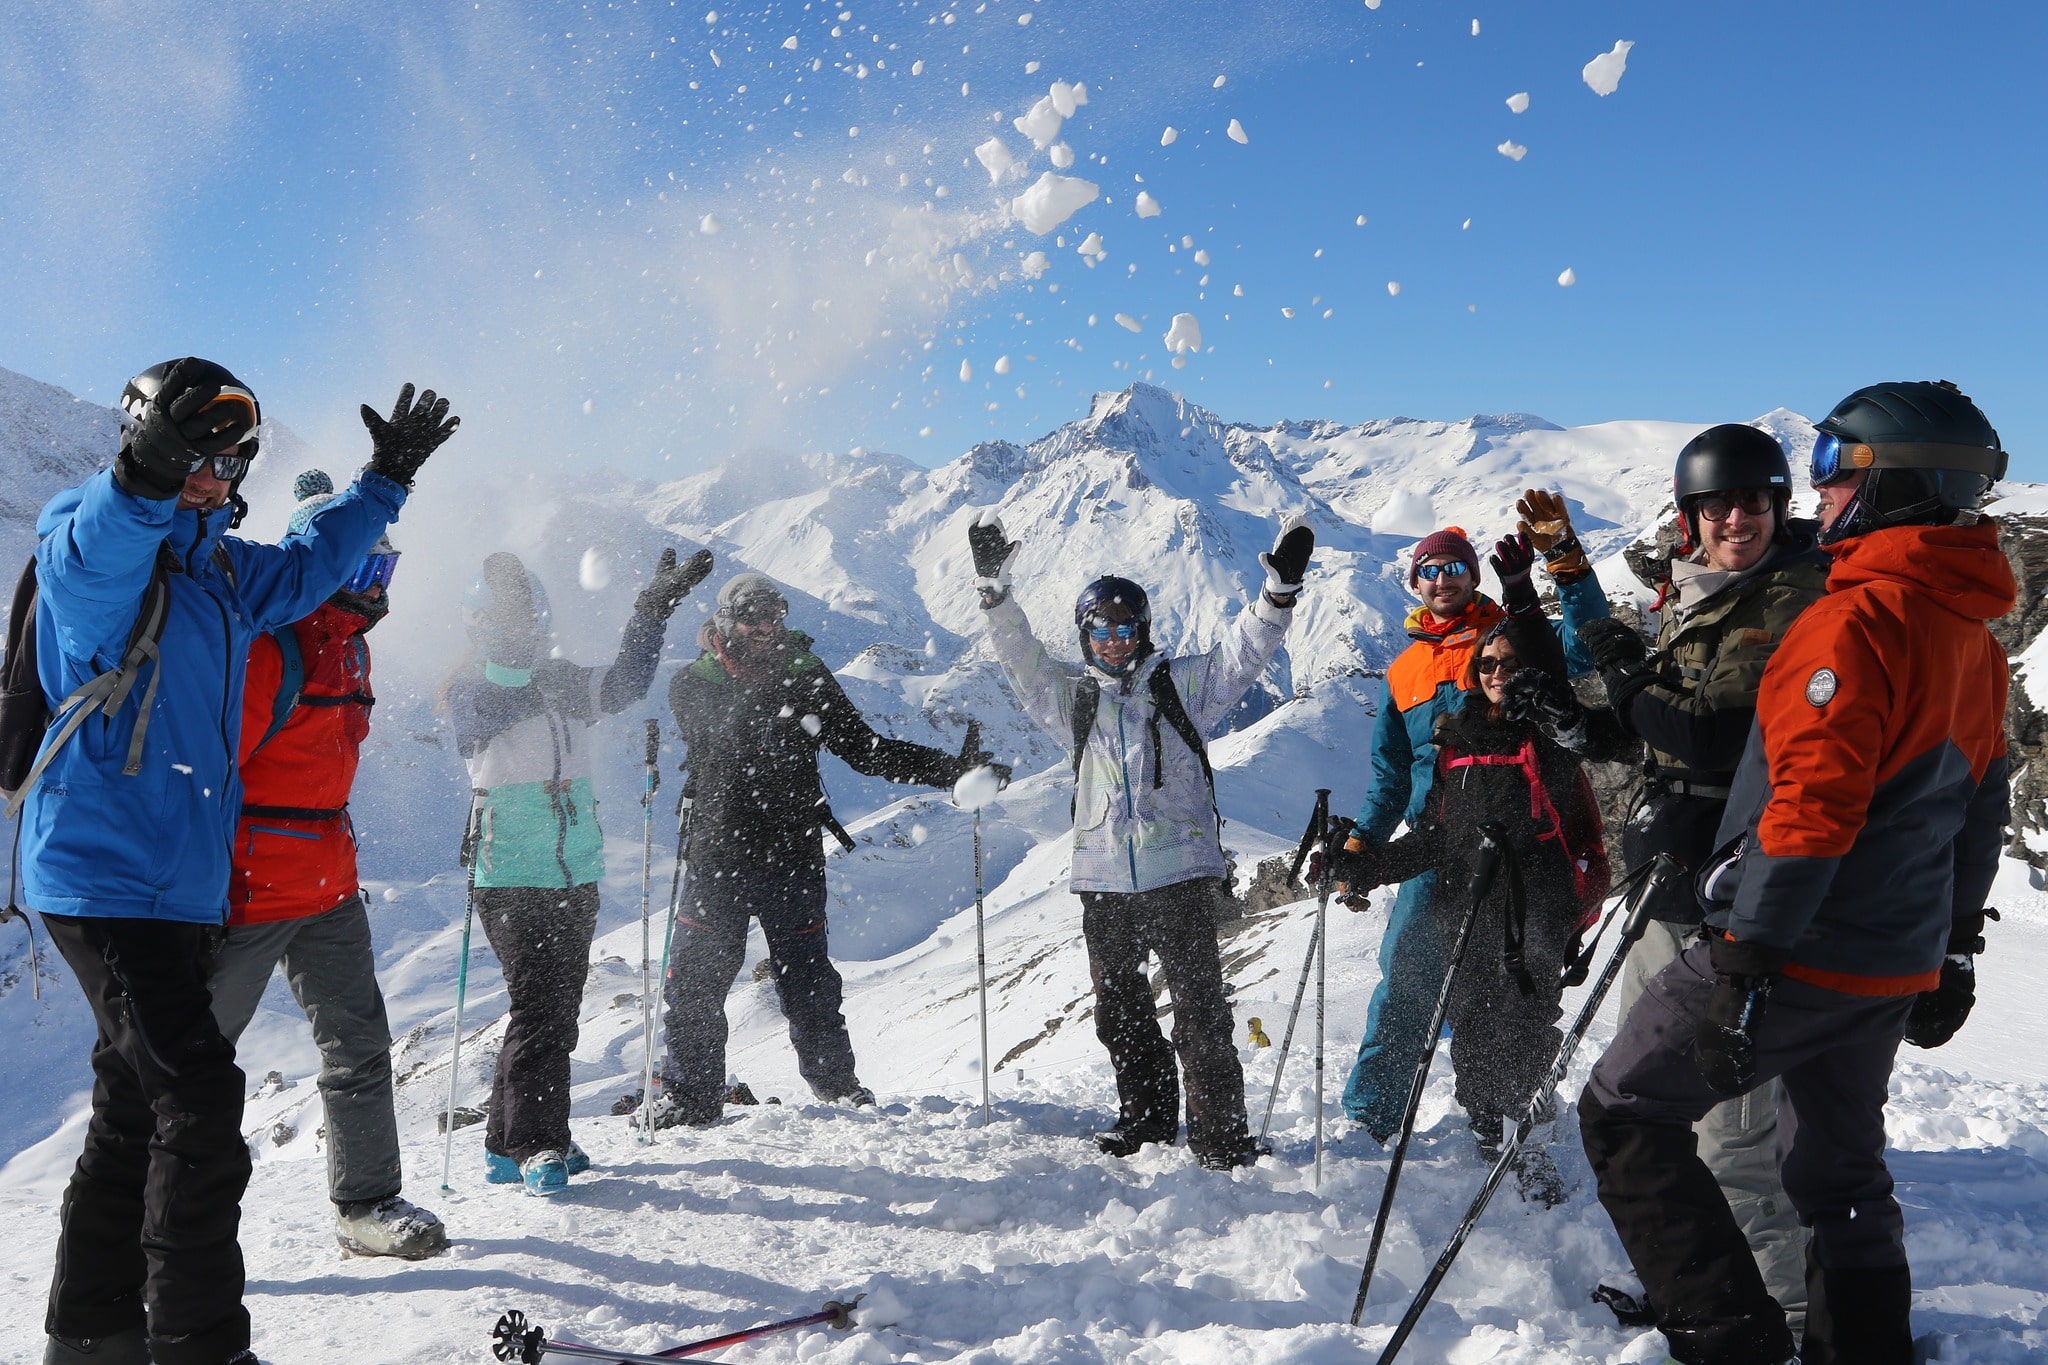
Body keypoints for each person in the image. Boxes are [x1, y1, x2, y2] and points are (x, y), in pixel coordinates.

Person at [24, 362, 454, 1365]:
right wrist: (145, 472)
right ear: (154, 451)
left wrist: (385, 478)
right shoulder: (95, 558)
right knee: (200, 1101)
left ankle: (90, 1337)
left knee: (135, 1110)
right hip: (103, 878)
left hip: (174, 884)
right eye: (202, 459)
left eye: (233, 462)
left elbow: (310, 564)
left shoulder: (221, 571)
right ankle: (199, 1344)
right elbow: (104, 535)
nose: (220, 479)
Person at [1579, 381, 2013, 1365]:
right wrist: (1945, 947)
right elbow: (1973, 810)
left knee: (1622, 1108)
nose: (1817, 495)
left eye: (1831, 471)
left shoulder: (1850, 624)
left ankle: (1734, 1345)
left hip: (1797, 947)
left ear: (1892, 486)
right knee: (1839, 1175)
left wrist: (1742, 963)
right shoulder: (1965, 638)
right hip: (1889, 960)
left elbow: (1807, 810)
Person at [1574, 425, 1827, 1331]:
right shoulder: (1700, 594)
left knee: (1736, 1129)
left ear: (1777, 505)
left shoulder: (1796, 597)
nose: (1736, 519)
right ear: (1689, 519)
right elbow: (1653, 726)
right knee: (1648, 1101)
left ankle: (1786, 1318)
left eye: (1752, 502)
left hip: (1738, 896)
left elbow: (1711, 734)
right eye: (1716, 506)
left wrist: (1616, 667)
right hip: (1671, 881)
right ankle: (1703, 1290)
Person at [969, 512, 1313, 1171]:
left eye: (1127, 627)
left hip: (1179, 874)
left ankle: (1221, 1135)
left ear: (1143, 629)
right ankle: (1147, 1121)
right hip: (1103, 882)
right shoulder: (1071, 700)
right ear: (1086, 633)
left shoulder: (1181, 685)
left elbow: (1244, 655)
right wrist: (995, 594)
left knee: (1200, 1014)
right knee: (1120, 1013)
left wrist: (1276, 599)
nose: (1116, 639)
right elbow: (1021, 662)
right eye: (1101, 628)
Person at [201, 470, 445, 1261]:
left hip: (328, 884)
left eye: (387, 568)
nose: (377, 588)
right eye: (363, 569)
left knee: (358, 1045)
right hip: (250, 892)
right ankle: (163, 1232)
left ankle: (367, 1204)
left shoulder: (353, 652)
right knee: (190, 1062)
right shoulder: (271, 651)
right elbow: (212, 773)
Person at [654, 572, 1000, 1128]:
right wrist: (780, 693)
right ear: (726, 620)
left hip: (788, 851)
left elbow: (865, 751)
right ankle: (691, 1097)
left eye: (776, 615)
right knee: (698, 980)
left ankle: (837, 1088)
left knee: (809, 979)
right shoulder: (695, 681)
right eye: (753, 616)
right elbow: (722, 734)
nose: (768, 627)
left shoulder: (804, 674)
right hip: (720, 853)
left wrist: (950, 770)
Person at [1332, 593, 1625, 1205]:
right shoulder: (1454, 742)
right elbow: (1436, 838)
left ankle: (1531, 1138)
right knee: (1469, 1025)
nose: (1498, 672)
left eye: (1510, 663)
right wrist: (1366, 867)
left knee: (1521, 1023)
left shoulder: (1548, 735)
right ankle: (1491, 1131)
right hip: (1463, 907)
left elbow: (1559, 693)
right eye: (1488, 663)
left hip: (1535, 907)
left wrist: (1521, 593)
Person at [443, 544, 711, 1194]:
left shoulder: (556, 678)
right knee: (543, 1007)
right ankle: (540, 1142)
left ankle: (505, 1145)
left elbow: (625, 683)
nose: (527, 628)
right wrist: (523, 655)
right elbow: (507, 696)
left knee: (551, 1006)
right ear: (482, 625)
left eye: (532, 616)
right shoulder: (471, 691)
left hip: (573, 870)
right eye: (513, 618)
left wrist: (651, 611)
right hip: (509, 872)